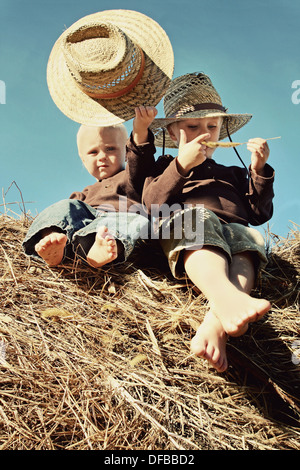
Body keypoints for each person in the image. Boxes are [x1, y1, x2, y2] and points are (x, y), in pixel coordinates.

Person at [143, 72, 275, 372]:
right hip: (190, 227)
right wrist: (181, 166)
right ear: (175, 133)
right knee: (197, 219)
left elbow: (259, 214)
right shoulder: (164, 166)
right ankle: (226, 298)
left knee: (247, 238)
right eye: (193, 126)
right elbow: (151, 205)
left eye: (212, 126)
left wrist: (258, 170)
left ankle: (219, 320)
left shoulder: (232, 172)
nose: (205, 133)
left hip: (232, 231)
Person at [23, 106, 157, 268]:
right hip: (84, 227)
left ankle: (99, 249)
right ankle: (54, 241)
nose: (102, 157)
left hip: (116, 222)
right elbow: (67, 215)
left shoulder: (131, 177)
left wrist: (140, 130)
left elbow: (140, 158)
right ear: (83, 160)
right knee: (65, 205)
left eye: (110, 149)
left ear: (125, 152)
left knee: (135, 219)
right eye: (93, 152)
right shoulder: (83, 195)